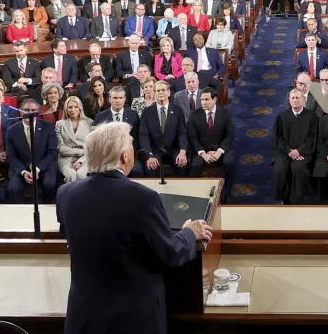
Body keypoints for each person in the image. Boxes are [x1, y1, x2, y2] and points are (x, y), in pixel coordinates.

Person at [55, 121, 212, 334]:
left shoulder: (66, 194)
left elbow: (70, 237)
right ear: (124, 156)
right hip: (133, 319)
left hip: (84, 316)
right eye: (131, 144)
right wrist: (189, 232)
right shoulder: (143, 198)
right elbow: (170, 253)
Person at [5, 99, 58, 203]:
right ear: (20, 112)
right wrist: (23, 172)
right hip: (21, 166)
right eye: (27, 110)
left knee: (50, 184)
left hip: (43, 165)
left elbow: (52, 152)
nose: (30, 113)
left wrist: (37, 169)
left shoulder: (48, 126)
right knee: (13, 189)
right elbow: (11, 155)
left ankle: (46, 208)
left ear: (38, 112)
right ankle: (21, 213)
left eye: (33, 110)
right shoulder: (11, 130)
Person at [271, 88, 317, 205]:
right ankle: (282, 199)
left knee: (298, 168)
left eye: (298, 98)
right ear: (289, 100)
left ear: (304, 99)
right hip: (285, 151)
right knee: (280, 168)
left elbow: (313, 138)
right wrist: (289, 151)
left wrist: (299, 151)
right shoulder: (282, 116)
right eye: (293, 98)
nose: (295, 100)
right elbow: (278, 138)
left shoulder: (312, 117)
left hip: (304, 153)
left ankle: (296, 200)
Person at [139, 80, 189, 177]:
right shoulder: (146, 112)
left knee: (183, 164)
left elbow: (182, 133)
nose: (161, 93)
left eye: (163, 90)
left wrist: (183, 151)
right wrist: (149, 156)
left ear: (169, 92)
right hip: (155, 151)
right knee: (150, 167)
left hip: (174, 150)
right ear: (154, 93)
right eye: (158, 91)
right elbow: (143, 135)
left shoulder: (177, 110)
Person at [56, 96, 92, 182]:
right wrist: (81, 151)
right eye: (70, 107)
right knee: (71, 174)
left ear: (80, 108)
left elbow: (91, 147)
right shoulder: (59, 124)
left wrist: (80, 161)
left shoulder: (89, 122)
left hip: (85, 157)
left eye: (76, 107)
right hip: (66, 158)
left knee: (81, 174)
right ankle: (69, 195)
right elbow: (60, 148)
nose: (73, 110)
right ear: (66, 109)